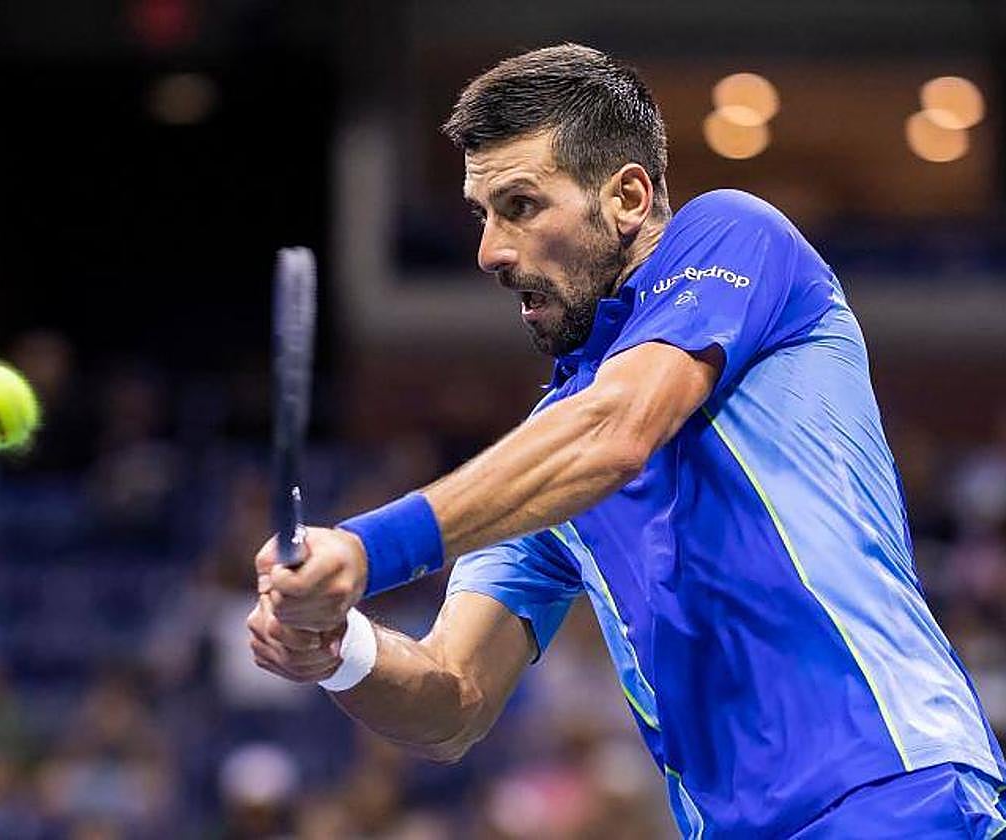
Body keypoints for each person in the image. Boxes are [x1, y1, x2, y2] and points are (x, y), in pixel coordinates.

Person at [246, 44, 1006, 837]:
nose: (490, 252)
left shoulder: (733, 239)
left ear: (630, 198)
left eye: (521, 205)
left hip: (893, 788)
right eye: (481, 215)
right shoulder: (546, 459)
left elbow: (618, 432)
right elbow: (452, 703)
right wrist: (342, 649)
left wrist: (369, 550)